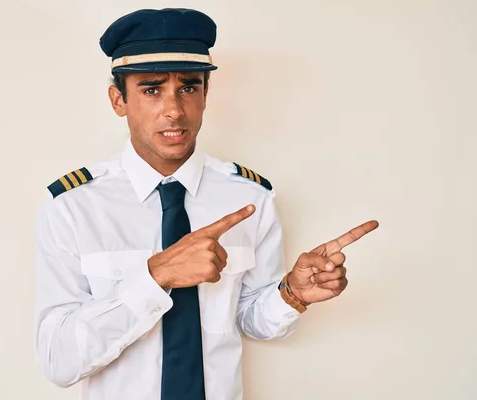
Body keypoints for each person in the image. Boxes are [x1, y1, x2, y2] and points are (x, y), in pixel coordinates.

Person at [33, 7, 378, 400]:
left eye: (189, 87)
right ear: (118, 99)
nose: (174, 110)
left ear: (206, 93)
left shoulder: (250, 197)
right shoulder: (73, 207)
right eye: (151, 89)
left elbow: (249, 318)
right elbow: (58, 360)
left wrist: (291, 294)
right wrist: (156, 275)